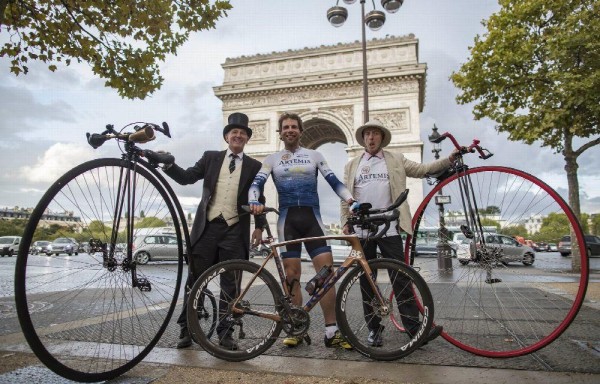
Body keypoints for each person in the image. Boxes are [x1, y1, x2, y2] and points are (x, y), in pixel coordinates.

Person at [340, 119, 456, 347]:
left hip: (389, 227)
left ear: (382, 138)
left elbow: (423, 170)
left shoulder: (396, 159)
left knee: (401, 279)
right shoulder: (351, 165)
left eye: (375, 134)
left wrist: (449, 160)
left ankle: (414, 329)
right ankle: (374, 329)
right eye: (367, 134)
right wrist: (345, 221)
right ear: (363, 139)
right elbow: (345, 196)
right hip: (362, 229)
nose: (371, 138)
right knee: (367, 281)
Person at [248, 112, 356, 350]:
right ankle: (296, 328)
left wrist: (351, 201)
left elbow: (334, 182)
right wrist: (254, 201)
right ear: (280, 132)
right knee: (291, 275)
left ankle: (331, 331)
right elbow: (256, 184)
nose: (290, 130)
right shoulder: (272, 159)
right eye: (285, 127)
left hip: (312, 220)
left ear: (300, 130)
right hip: (287, 222)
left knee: (326, 276)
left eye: (294, 127)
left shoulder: (315, 155)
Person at [162, 112, 266, 350]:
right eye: (234, 132)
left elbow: (259, 198)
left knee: (231, 286)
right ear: (227, 136)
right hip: (207, 228)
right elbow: (187, 177)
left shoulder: (255, 166)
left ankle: (225, 333)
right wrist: (168, 164)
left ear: (247, 139)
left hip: (234, 230)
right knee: (195, 281)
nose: (238, 135)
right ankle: (187, 329)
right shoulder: (210, 158)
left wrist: (259, 227)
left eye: (242, 133)